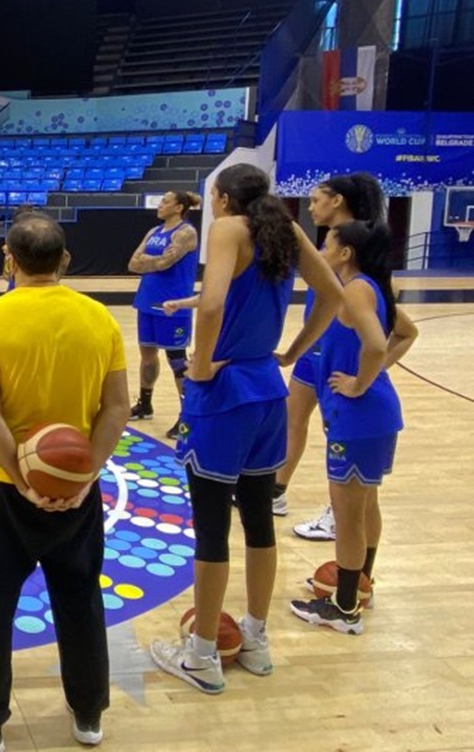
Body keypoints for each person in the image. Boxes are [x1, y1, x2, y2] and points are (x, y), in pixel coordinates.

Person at [149, 164, 344, 695]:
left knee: (212, 527)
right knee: (259, 521)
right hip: (268, 388)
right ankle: (256, 640)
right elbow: (333, 296)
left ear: (222, 197)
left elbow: (212, 304)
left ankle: (202, 655)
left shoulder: (228, 228)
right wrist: (294, 352)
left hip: (226, 391)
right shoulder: (287, 227)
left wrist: (203, 364)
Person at [0, 213, 131, 750]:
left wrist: (25, 481)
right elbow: (118, 407)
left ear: (8, 261)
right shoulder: (99, 318)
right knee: (79, 600)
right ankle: (89, 715)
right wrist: (81, 478)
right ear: (65, 261)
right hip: (76, 491)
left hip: (2, 488)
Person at [289, 221, 417, 635]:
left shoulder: (356, 290)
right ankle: (362, 586)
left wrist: (360, 382)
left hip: (360, 416)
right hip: (373, 416)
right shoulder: (371, 286)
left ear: (345, 253)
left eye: (327, 244)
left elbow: (379, 345)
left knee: (347, 515)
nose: (322, 250)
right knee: (365, 506)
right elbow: (405, 332)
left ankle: (344, 608)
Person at [286, 173, 387, 530]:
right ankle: (277, 489)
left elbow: (390, 330)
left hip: (340, 360)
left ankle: (340, 514)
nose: (310, 206)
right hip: (319, 350)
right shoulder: (332, 246)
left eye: (315, 199)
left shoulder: (354, 254)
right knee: (293, 418)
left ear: (337, 201)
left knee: (347, 447)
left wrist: (365, 378)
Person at [126, 191, 202, 440]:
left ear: (179, 207)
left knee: (177, 360)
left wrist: (149, 261)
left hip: (173, 304)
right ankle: (145, 404)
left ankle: (187, 417)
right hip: (147, 300)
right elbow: (132, 264)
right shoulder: (154, 232)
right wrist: (153, 260)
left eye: (165, 202)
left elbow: (165, 263)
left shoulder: (186, 232)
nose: (160, 205)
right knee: (147, 355)